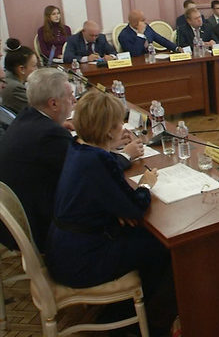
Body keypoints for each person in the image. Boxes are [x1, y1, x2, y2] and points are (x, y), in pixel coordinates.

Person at [44, 89, 174, 334]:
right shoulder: (98, 161)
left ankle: (130, 307)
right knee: (161, 246)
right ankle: (147, 321)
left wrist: (120, 205)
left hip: (63, 248)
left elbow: (112, 191)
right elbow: (135, 209)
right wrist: (146, 184)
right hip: (81, 261)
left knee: (143, 237)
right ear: (107, 131)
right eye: (118, 124)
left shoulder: (78, 147)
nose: (123, 128)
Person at [0, 68, 75, 251]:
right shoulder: (50, 135)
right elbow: (90, 169)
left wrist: (57, 124)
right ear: (54, 103)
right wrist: (125, 154)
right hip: (44, 231)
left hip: (17, 222)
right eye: (70, 95)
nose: (73, 101)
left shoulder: (26, 117)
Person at [1, 39, 38, 114]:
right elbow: (38, 111)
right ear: (22, 69)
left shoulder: (9, 78)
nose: (37, 69)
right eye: (34, 66)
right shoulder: (15, 88)